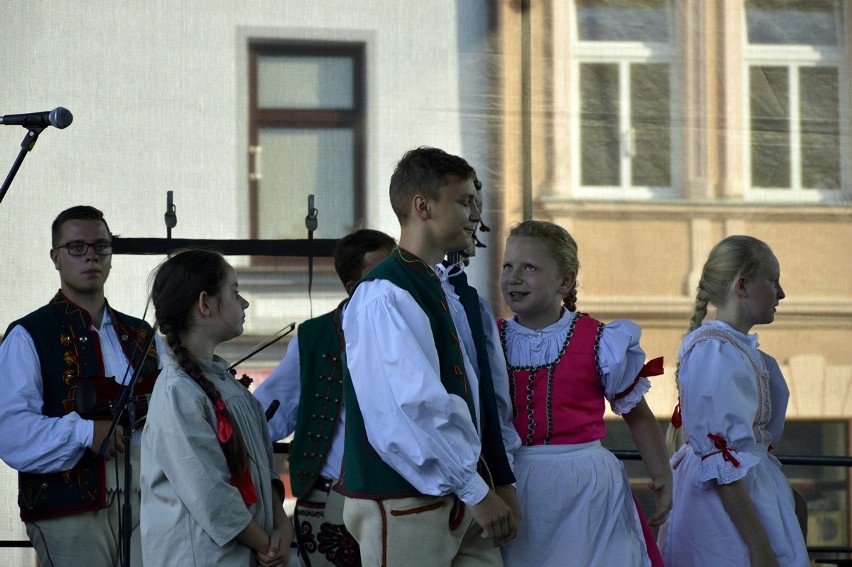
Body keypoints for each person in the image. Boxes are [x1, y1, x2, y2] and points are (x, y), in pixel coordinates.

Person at [337, 146, 517, 566]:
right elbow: (408, 409)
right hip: (407, 503)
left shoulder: (443, 291)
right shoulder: (383, 293)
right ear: (423, 206)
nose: (476, 214)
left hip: (466, 495)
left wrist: (495, 479)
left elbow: (481, 397)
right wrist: (475, 489)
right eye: (464, 201)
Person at [497, 220, 671, 567]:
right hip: (514, 482)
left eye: (529, 267)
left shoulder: (600, 340)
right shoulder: (491, 339)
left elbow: (638, 415)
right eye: (508, 266)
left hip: (586, 486)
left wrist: (663, 478)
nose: (514, 277)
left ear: (565, 280)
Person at [0, 205, 159, 566]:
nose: (91, 255)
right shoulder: (29, 334)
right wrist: (84, 433)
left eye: (101, 246)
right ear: (55, 257)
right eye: (77, 247)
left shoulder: (141, 334)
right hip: (68, 511)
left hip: (147, 505)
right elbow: (10, 431)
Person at [657, 235, 808, 566]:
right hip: (727, 510)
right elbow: (720, 459)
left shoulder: (738, 351)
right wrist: (760, 547)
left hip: (752, 495)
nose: (781, 293)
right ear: (742, 285)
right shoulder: (716, 352)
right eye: (772, 281)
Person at [141, 249, 293, 566]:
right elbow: (211, 495)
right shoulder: (176, 392)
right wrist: (267, 544)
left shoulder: (225, 384)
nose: (245, 303)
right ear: (205, 303)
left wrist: (282, 526)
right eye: (235, 292)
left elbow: (262, 470)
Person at [253, 228, 396, 566]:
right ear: (353, 288)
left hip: (397, 501)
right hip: (327, 503)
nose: (396, 285)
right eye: (383, 276)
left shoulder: (412, 330)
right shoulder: (315, 337)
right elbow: (267, 414)